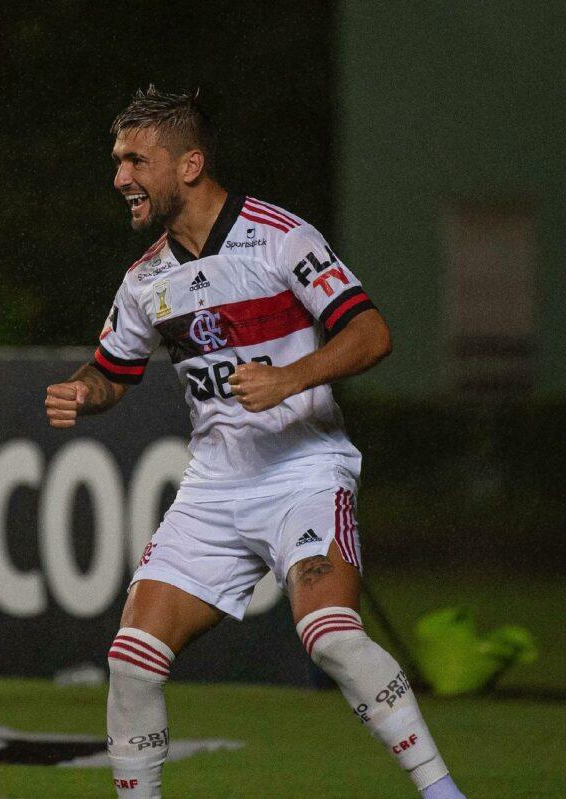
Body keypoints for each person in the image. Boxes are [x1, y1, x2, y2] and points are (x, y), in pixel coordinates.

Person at [44, 87, 465, 799]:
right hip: (215, 485)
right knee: (132, 658)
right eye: (118, 161)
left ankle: (442, 792)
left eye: (135, 160)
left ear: (189, 164)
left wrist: (290, 378)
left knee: (331, 635)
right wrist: (86, 390)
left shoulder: (280, 237)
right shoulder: (146, 278)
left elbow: (371, 333)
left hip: (304, 469)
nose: (120, 178)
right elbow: (114, 369)